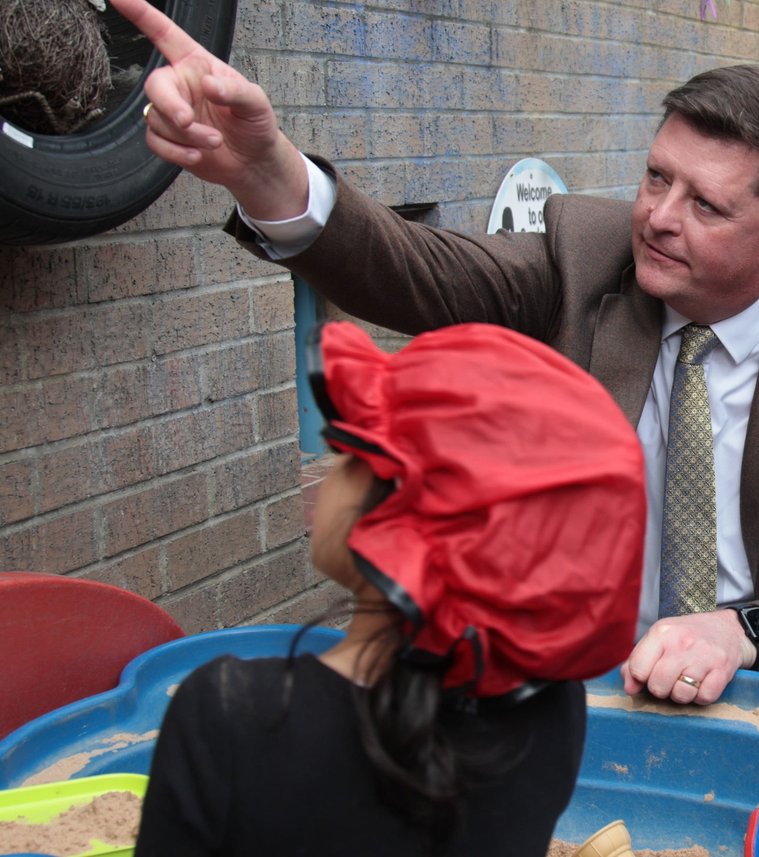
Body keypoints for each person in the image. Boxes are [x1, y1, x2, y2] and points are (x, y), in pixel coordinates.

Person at [109, 0, 759, 704]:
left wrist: (744, 630)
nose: (657, 216)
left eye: (706, 206)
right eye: (656, 177)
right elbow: (419, 273)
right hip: (560, 688)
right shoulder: (585, 251)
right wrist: (266, 172)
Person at [134, 322, 647, 856]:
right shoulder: (552, 712)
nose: (330, 473)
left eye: (349, 450)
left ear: (401, 516)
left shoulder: (231, 716)